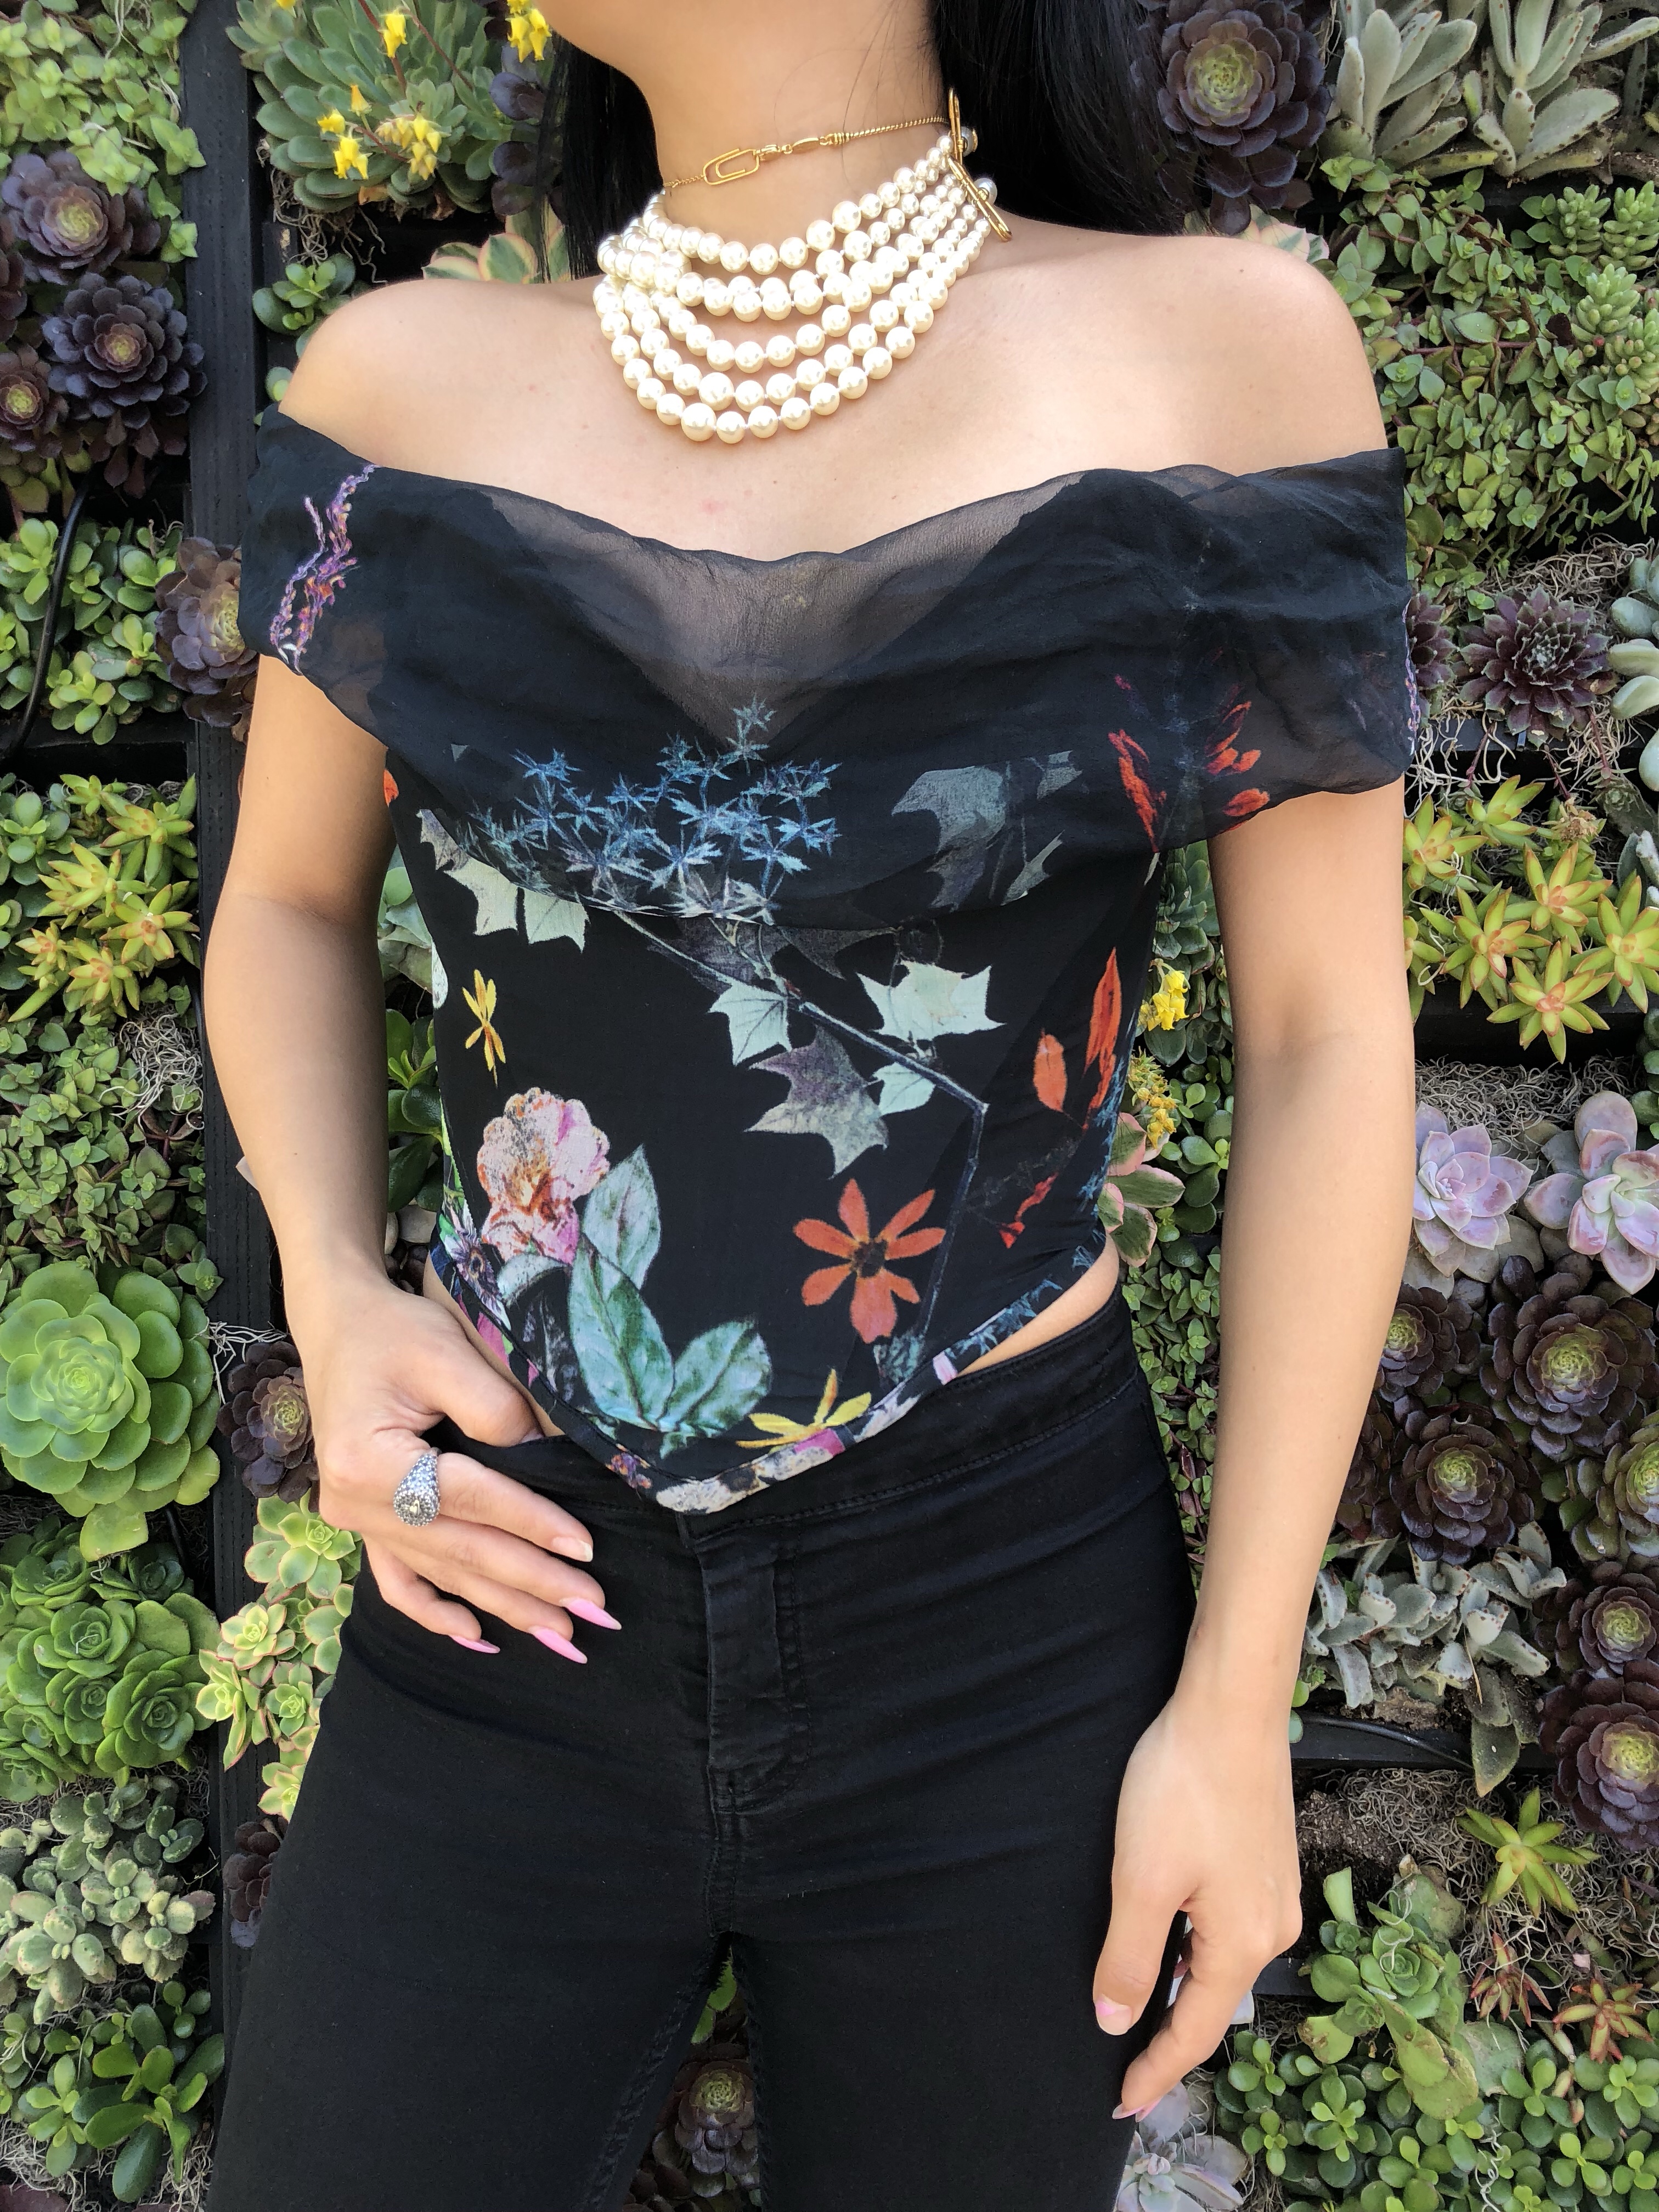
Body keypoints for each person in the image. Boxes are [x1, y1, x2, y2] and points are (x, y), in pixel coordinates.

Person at [201, 2, 1417, 2204]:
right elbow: (286, 900)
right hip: (508, 1584)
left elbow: (1328, 1036)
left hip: (1003, 1610)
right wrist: (332, 1296)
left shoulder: (1228, 357)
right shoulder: (403, 385)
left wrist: (1239, 1711)